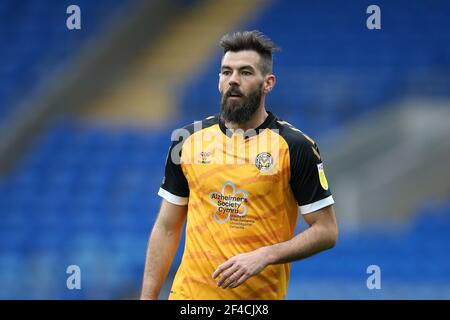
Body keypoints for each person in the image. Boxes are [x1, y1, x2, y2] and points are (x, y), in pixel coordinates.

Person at [140, 30, 338, 300]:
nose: (233, 80)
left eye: (245, 72)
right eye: (226, 72)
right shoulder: (187, 140)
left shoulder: (294, 147)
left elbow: (326, 231)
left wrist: (266, 255)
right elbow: (167, 227)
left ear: (268, 83)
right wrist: (148, 297)